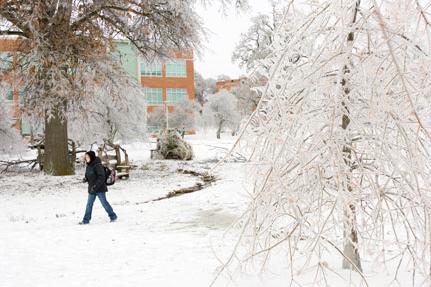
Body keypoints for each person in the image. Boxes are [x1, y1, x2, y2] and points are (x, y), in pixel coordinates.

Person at [79, 151, 117, 225]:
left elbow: (101, 177)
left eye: (87, 157)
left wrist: (95, 187)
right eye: (85, 157)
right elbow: (89, 175)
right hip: (91, 188)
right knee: (89, 204)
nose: (86, 158)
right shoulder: (89, 165)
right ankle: (86, 220)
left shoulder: (97, 165)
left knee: (104, 203)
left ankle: (113, 216)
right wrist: (86, 179)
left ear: (91, 157)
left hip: (100, 188)